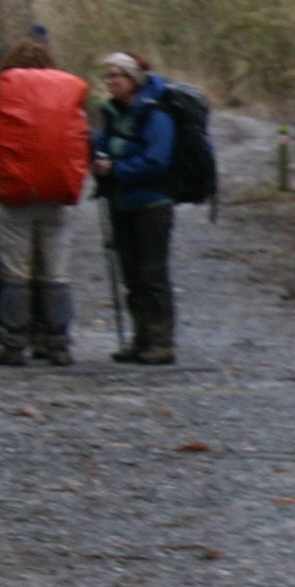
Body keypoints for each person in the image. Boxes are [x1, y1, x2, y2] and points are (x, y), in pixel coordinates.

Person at [0, 35, 92, 367]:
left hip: (13, 196)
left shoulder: (1, 97)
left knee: (15, 272)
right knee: (55, 271)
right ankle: (58, 344)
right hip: (57, 196)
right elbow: (86, 143)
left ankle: (13, 344)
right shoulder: (66, 97)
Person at [92, 51, 181, 364]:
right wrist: (98, 158)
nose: (110, 81)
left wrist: (116, 168)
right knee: (131, 274)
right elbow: (101, 144)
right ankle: (141, 338)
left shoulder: (156, 114)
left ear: (133, 79)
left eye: (116, 75)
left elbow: (157, 160)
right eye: (108, 76)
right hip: (122, 200)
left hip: (151, 202)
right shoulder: (114, 112)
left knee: (152, 272)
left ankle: (161, 342)